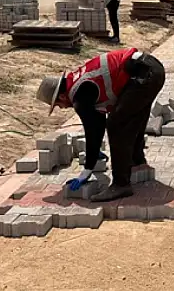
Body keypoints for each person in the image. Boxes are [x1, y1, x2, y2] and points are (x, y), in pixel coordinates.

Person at [35, 48, 166, 201]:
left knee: (116, 125)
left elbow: (93, 130)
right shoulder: (79, 81)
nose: (62, 108)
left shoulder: (79, 96)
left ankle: (121, 184)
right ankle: (137, 160)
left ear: (62, 96)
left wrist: (88, 169)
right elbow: (97, 123)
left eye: (58, 104)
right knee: (133, 114)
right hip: (151, 68)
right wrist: (94, 151)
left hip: (143, 76)